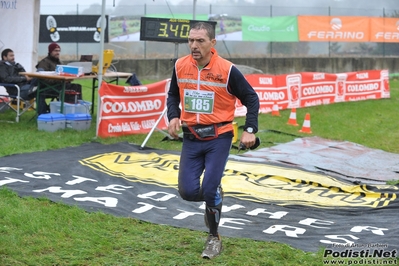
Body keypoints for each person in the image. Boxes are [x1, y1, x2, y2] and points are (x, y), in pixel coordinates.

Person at [166, 22, 259, 259]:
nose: (194, 46)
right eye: (190, 40)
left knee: (208, 187)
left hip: (219, 137)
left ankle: (213, 237)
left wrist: (250, 129)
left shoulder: (227, 70)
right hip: (191, 137)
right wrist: (173, 116)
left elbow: (251, 97)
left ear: (212, 43)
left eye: (200, 41)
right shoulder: (179, 66)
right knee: (187, 192)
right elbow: (173, 94)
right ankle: (215, 193)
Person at [35, 42, 82, 114]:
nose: (58, 53)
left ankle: (76, 110)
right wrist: (59, 81)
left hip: (60, 85)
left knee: (77, 87)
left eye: (59, 51)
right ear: (50, 51)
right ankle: (67, 111)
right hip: (48, 87)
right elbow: (42, 78)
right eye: (55, 51)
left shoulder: (60, 62)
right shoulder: (44, 62)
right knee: (72, 88)